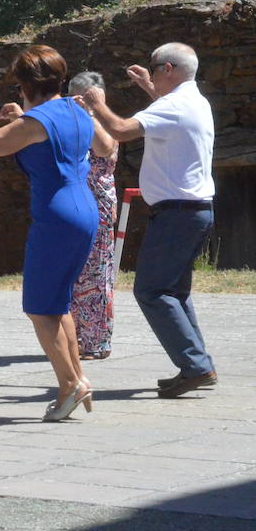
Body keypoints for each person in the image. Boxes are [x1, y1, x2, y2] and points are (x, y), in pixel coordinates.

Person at [0, 45, 97, 422]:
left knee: (39, 308)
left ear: (24, 85)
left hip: (56, 217)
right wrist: (23, 116)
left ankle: (70, 383)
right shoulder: (76, 110)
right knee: (59, 304)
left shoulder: (35, 122)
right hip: (86, 210)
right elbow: (49, 136)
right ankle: (76, 378)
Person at [78, 42, 217, 398]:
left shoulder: (173, 105)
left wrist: (96, 105)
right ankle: (196, 364)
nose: (151, 73)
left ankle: (196, 365)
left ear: (168, 69)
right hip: (192, 211)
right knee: (175, 292)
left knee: (152, 291)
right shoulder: (195, 101)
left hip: (177, 214)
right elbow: (167, 113)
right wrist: (149, 88)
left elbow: (122, 129)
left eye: (155, 68)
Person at [65, 72, 119, 360]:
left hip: (97, 205)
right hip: (72, 205)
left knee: (96, 276)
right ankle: (75, 337)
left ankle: (96, 342)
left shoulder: (103, 122)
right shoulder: (73, 122)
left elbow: (106, 147)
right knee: (75, 275)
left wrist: (93, 112)